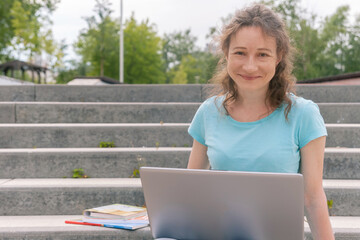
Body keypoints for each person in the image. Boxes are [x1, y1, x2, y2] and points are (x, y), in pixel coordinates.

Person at [187, 3, 334, 239]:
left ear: (279, 57)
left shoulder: (304, 115)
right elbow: (190, 191)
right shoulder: (208, 113)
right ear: (226, 54)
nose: (250, 66)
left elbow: (313, 199)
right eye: (240, 53)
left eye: (262, 54)